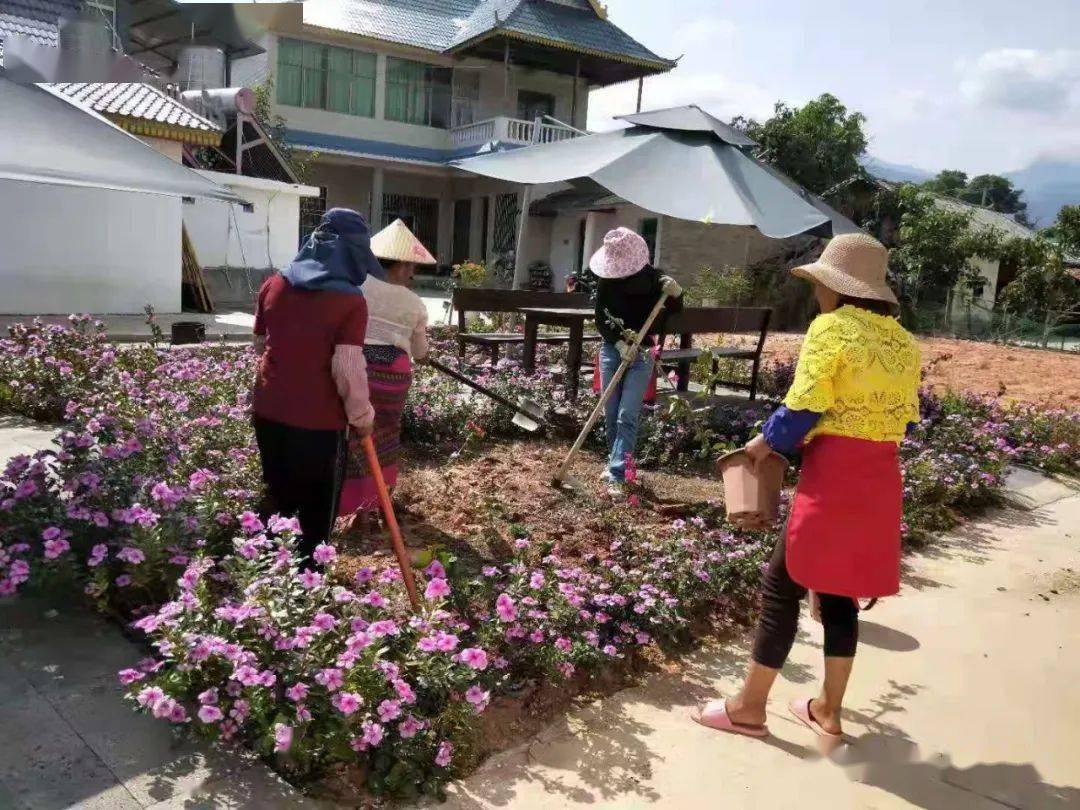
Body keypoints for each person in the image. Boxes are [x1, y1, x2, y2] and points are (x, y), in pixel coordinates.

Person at [692, 233, 922, 740]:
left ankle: (749, 708)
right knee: (838, 592)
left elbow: (805, 405)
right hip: (880, 477)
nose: (818, 293)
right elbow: (900, 419)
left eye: (821, 284)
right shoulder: (904, 344)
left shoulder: (832, 329)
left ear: (836, 287)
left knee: (782, 584)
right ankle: (827, 711)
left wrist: (763, 442)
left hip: (834, 476)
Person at [251, 208, 380, 560]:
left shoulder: (274, 284)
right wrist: (362, 415)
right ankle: (307, 585)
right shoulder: (350, 302)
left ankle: (261, 576)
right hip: (318, 425)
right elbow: (347, 367)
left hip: (269, 413)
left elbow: (261, 346)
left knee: (278, 496)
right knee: (316, 513)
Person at [338, 219, 433, 523]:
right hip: (393, 373)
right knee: (386, 436)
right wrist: (425, 355)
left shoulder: (357, 289)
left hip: (358, 368)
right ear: (401, 266)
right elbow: (419, 351)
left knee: (355, 436)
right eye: (410, 267)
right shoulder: (415, 303)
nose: (412, 273)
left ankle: (353, 506)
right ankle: (377, 503)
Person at [590, 227, 682, 494]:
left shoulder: (655, 279)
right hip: (612, 350)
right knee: (610, 411)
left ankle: (619, 474)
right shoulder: (607, 280)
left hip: (642, 352)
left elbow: (674, 309)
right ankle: (614, 463)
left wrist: (677, 294)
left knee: (627, 414)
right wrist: (618, 343)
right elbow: (601, 318)